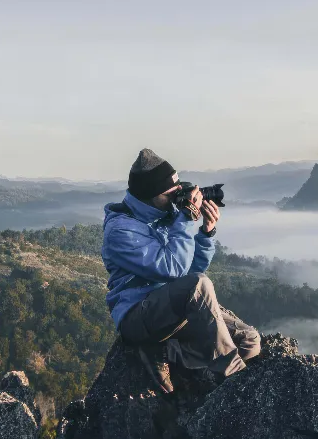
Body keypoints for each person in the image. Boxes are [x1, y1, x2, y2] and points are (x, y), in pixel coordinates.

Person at [102, 149, 260, 393]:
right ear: (150, 195)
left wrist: (206, 234)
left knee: (249, 341)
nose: (179, 198)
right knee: (200, 284)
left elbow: (190, 271)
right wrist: (185, 219)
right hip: (138, 316)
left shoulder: (166, 215)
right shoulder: (121, 231)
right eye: (171, 194)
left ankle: (167, 352)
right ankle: (233, 379)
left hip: (173, 310)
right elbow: (174, 271)